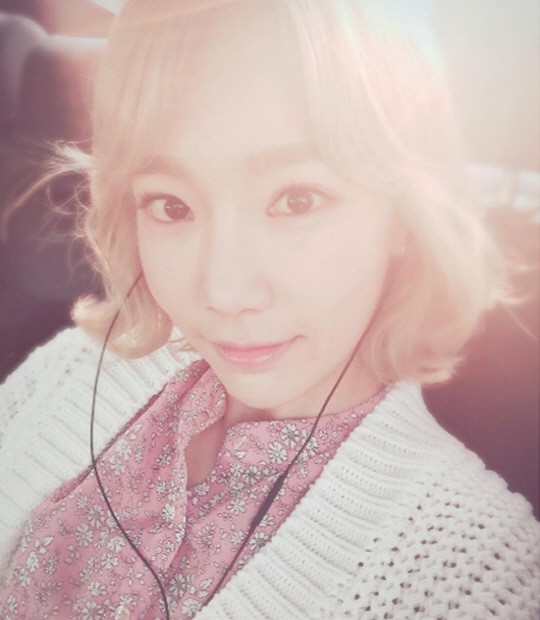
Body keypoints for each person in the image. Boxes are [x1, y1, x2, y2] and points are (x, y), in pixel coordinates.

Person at [0, 0, 538, 618]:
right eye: (171, 205)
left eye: (297, 199)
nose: (223, 294)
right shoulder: (71, 369)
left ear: (405, 214)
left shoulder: (477, 575)